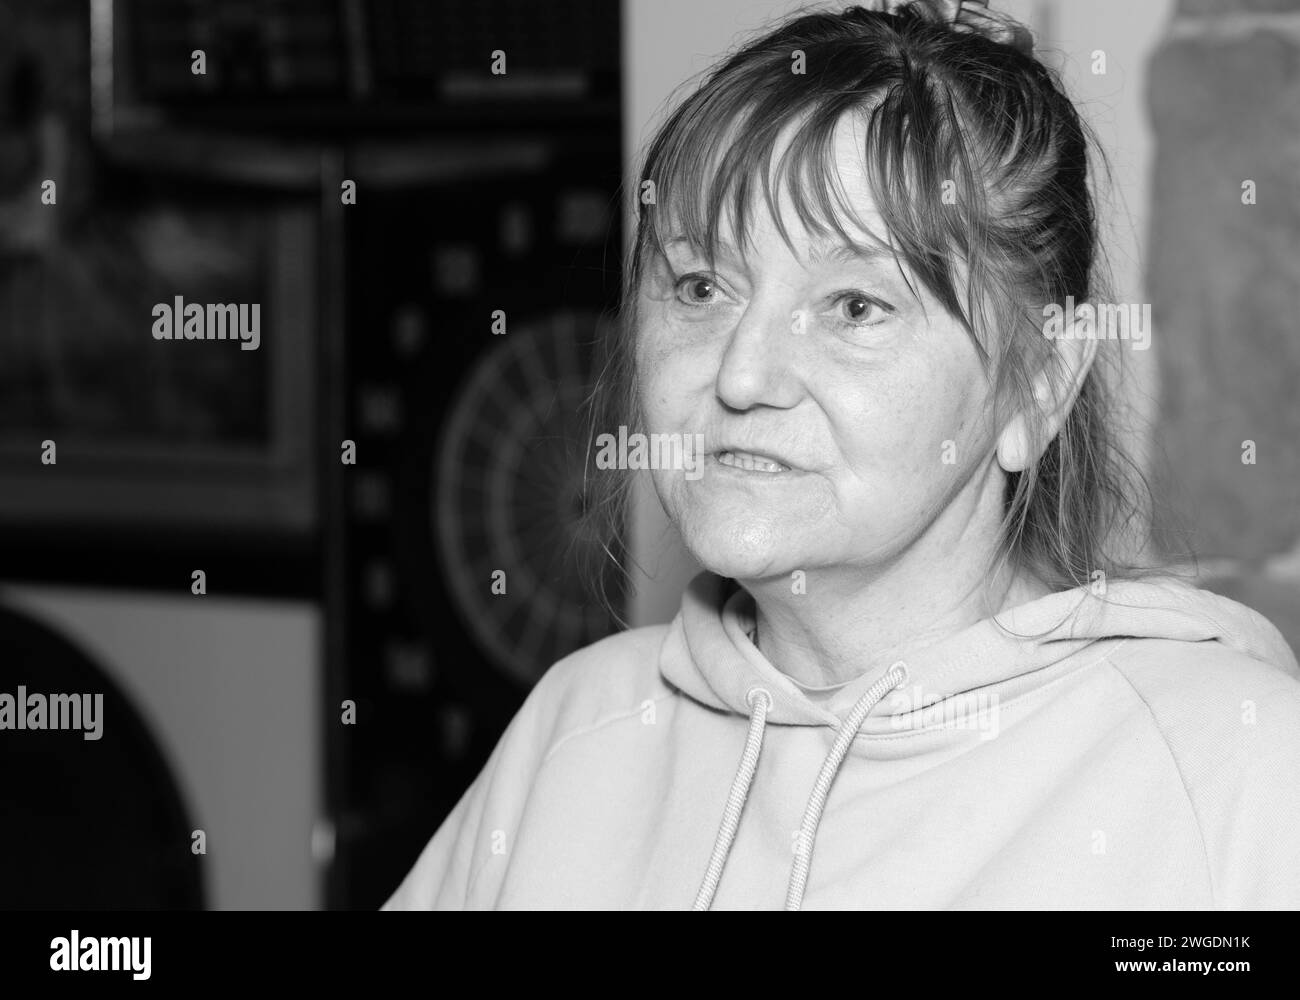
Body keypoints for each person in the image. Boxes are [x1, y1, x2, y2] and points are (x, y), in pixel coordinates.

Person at [383, 0, 1300, 910]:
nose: (743, 374)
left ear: (1038, 385)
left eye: (855, 306)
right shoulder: (574, 731)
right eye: (701, 286)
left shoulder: (1238, 776)